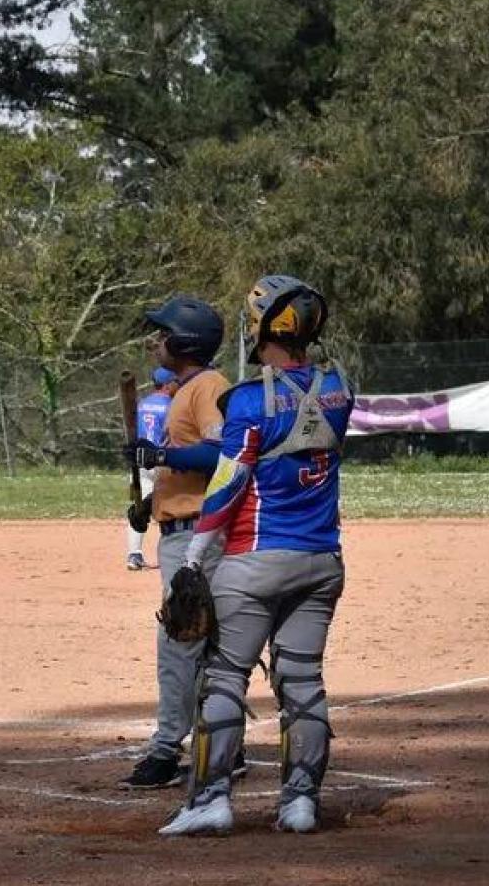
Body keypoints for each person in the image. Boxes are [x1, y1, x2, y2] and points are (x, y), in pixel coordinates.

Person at [158, 274, 354, 837]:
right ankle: (300, 803)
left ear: (264, 325)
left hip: (254, 559)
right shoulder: (339, 389)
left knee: (221, 679)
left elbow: (227, 484)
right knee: (302, 682)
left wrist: (195, 556)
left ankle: (211, 800)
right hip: (321, 559)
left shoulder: (246, 399)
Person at [118, 296, 234, 790]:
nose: (155, 341)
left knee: (181, 643)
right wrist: (152, 501)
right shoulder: (186, 390)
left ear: (184, 342)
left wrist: (162, 452)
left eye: (163, 333)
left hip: (197, 538)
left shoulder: (207, 387)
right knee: (204, 647)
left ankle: (166, 752)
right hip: (182, 527)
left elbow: (223, 452)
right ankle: (227, 748)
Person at [124, 368, 177, 570]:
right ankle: (172, 555)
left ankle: (134, 554)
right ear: (168, 384)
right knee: (171, 507)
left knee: (138, 507)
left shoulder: (141, 405)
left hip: (140, 463)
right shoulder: (172, 405)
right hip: (163, 461)